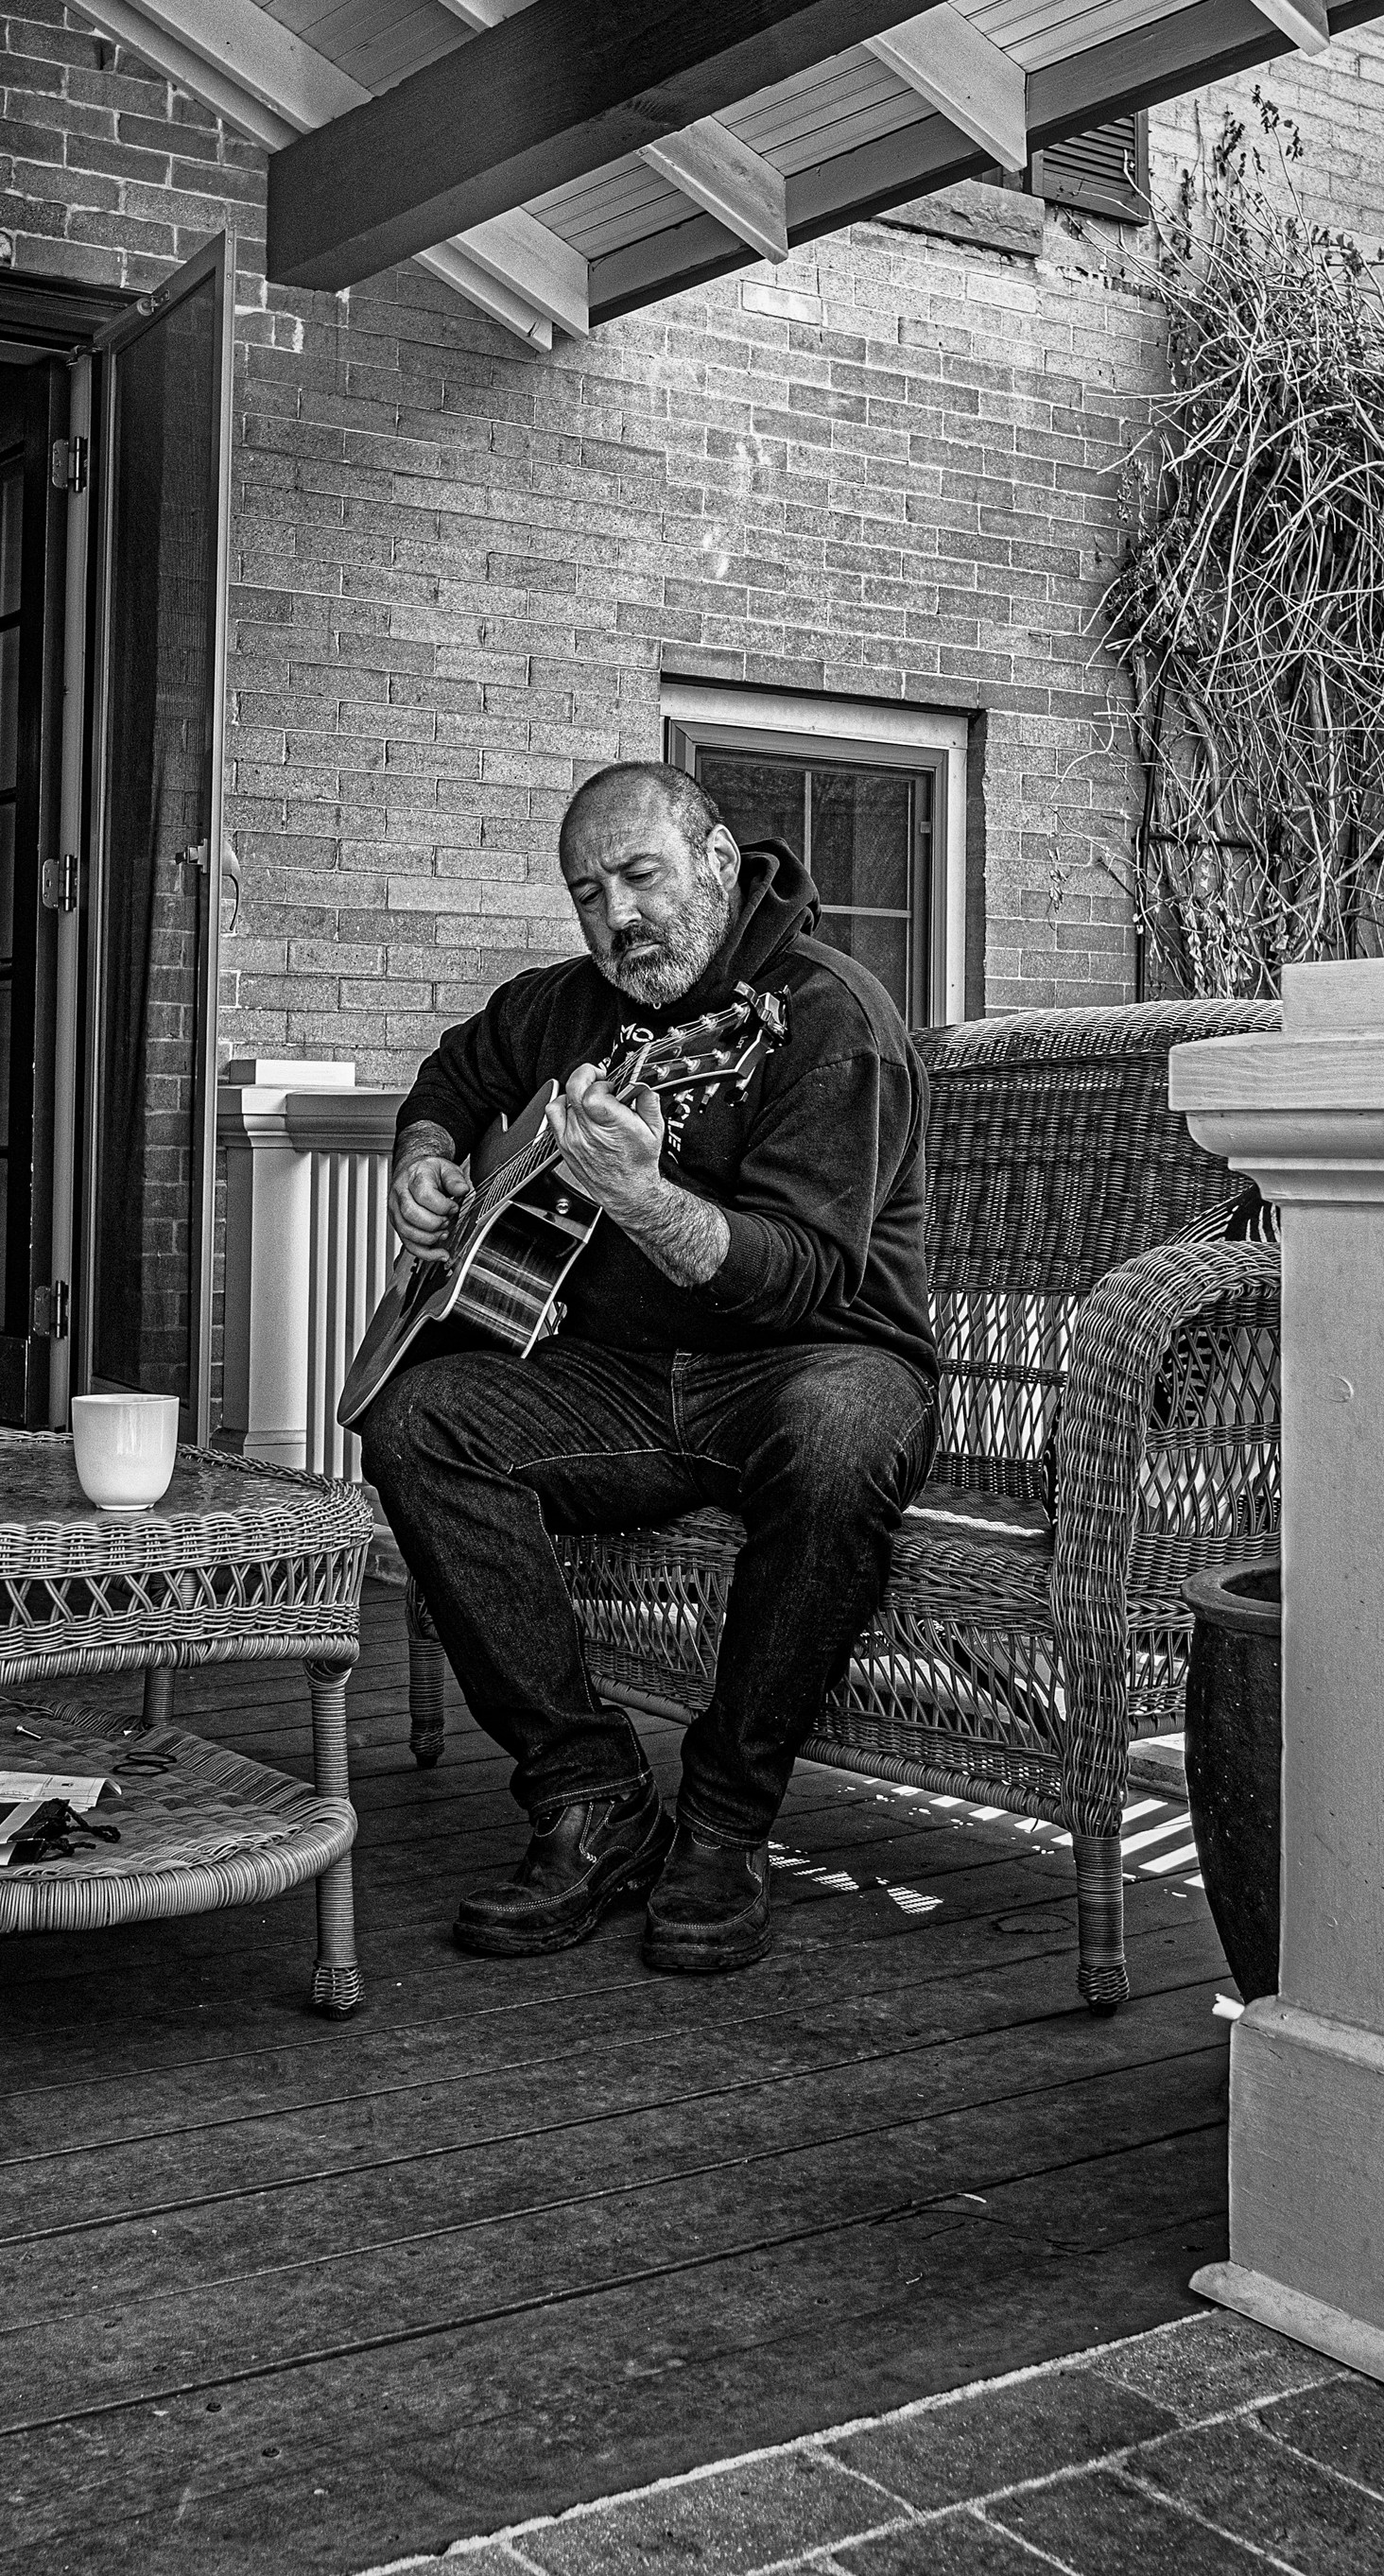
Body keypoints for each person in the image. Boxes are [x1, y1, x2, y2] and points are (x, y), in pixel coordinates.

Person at [356, 762, 935, 1976]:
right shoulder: (567, 1006)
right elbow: (460, 1071)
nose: (616, 918)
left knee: (838, 1435)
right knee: (417, 1419)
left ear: (718, 862)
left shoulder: (826, 1017)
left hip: (805, 1364)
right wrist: (423, 1157)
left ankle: (724, 1822)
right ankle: (591, 1799)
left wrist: (638, 1193)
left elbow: (798, 1277)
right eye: (585, 894)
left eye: (639, 877)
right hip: (620, 1382)